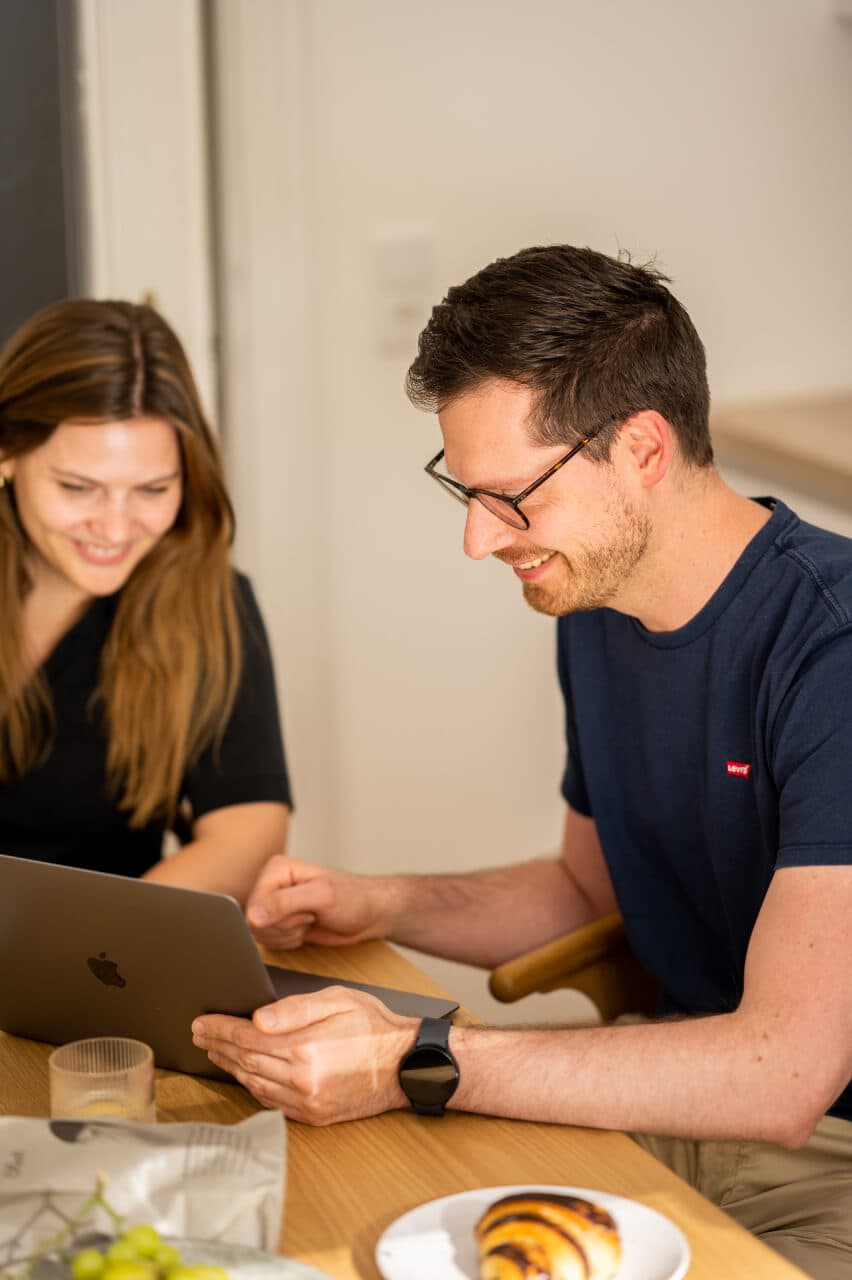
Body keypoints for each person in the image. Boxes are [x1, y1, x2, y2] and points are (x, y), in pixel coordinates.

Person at [191, 246, 852, 1277]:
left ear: (642, 446)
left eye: (511, 496)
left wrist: (411, 1057)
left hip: (826, 1153)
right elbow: (586, 890)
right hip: (668, 1110)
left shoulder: (832, 648)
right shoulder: (599, 602)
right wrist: (384, 901)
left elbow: (786, 1071)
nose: (476, 540)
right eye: (463, 490)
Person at [0, 299, 290, 901]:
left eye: (152, 490)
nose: (113, 527)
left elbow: (245, 829)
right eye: (79, 487)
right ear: (7, 455)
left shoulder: (209, 601)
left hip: (93, 970)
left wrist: (87, 942)